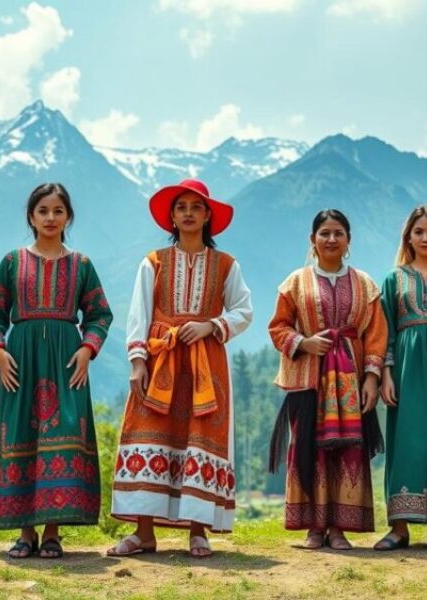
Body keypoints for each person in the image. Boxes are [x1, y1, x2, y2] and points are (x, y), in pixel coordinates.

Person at [107, 178, 253, 558]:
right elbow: (138, 312)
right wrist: (137, 361)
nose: (188, 213)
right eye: (182, 207)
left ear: (208, 216)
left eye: (196, 207)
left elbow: (244, 311)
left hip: (207, 363)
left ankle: (198, 530)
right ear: (172, 216)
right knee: (150, 431)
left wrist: (211, 325)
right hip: (160, 359)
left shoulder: (226, 265)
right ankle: (144, 532)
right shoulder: (153, 262)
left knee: (200, 436)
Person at [0, 183, 113, 558]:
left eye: (58, 210)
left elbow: (100, 313)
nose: (51, 218)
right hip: (19, 363)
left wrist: (88, 349)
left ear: (68, 216)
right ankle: (26, 534)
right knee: (20, 434)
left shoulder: (81, 265)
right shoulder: (12, 262)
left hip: (67, 363)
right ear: (31, 216)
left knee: (65, 431)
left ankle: (53, 532)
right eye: (43, 211)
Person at [268, 209, 387, 550]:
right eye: (324, 233)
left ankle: (339, 528)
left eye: (338, 233)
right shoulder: (294, 283)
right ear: (312, 240)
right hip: (308, 378)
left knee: (347, 450)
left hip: (350, 380)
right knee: (308, 448)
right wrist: (303, 342)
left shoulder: (366, 284)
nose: (331, 239)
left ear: (348, 240)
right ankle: (314, 528)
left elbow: (376, 334)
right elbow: (278, 327)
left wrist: (372, 378)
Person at [375, 205, 427, 551]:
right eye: (418, 232)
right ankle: (400, 528)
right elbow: (383, 331)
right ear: (408, 236)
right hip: (405, 369)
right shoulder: (394, 278)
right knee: (406, 441)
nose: (424, 238)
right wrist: (385, 374)